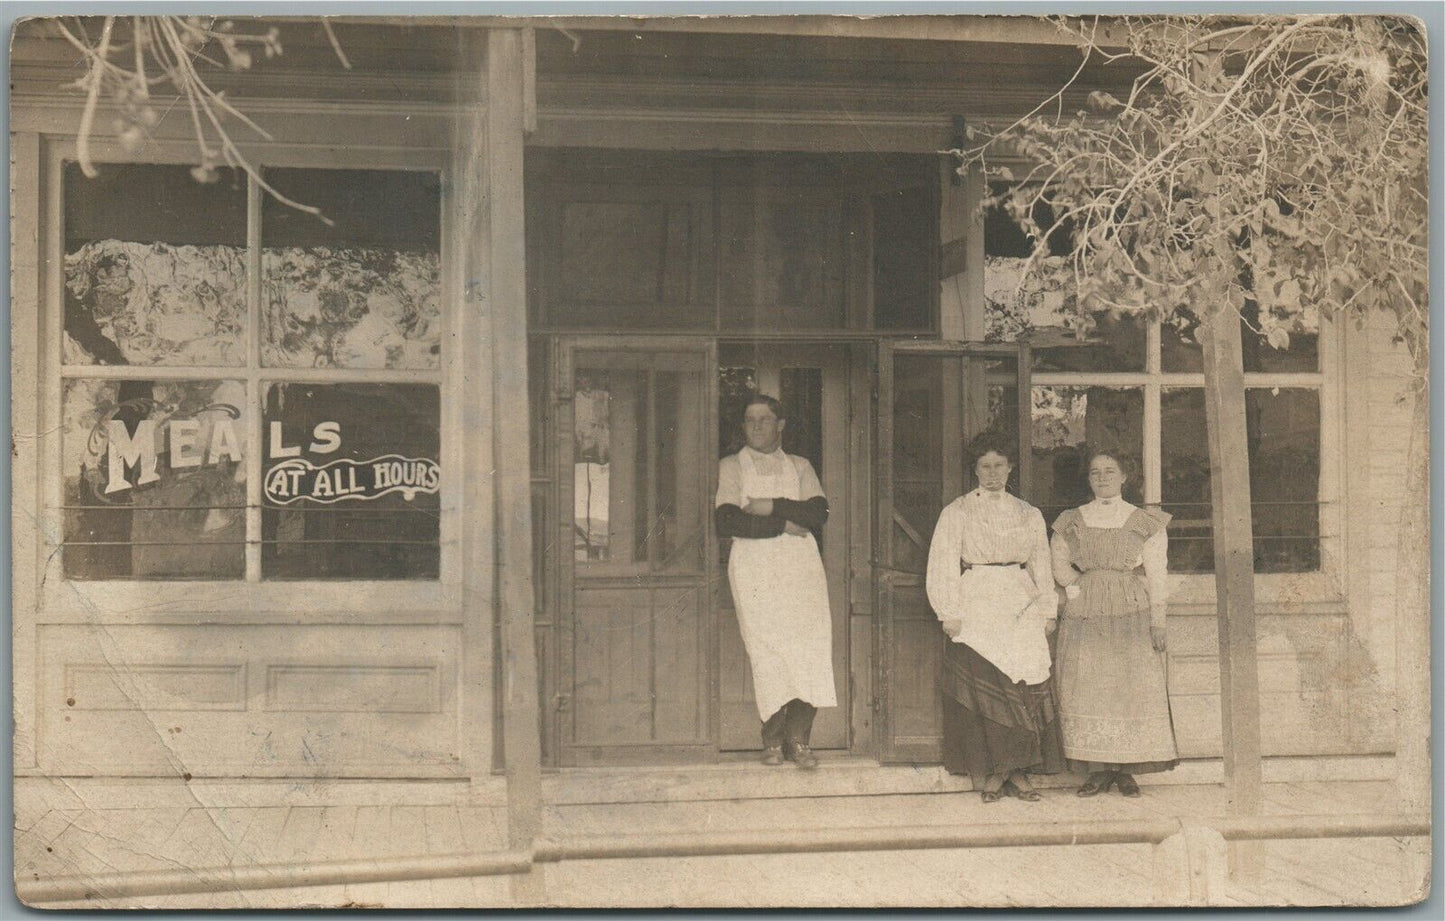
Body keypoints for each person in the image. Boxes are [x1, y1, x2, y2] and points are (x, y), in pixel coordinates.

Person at [925, 432, 1064, 803]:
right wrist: (949, 611)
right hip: (978, 602)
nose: (992, 473)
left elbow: (1042, 564)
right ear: (975, 469)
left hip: (1019, 601)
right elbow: (942, 562)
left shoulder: (1028, 513)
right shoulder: (958, 511)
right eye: (985, 466)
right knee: (987, 685)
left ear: (1010, 467)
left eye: (999, 465)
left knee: (1020, 685)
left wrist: (1047, 609)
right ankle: (992, 772)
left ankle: (1016, 771)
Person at [715, 395, 836, 769]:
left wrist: (770, 505)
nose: (755, 426)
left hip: (800, 567)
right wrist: (784, 522)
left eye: (764, 420)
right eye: (749, 420)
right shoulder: (731, 466)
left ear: (780, 425)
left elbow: (818, 512)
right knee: (767, 650)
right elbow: (728, 521)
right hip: (755, 567)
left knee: (808, 648)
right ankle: (772, 741)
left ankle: (799, 741)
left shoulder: (799, 466)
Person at [1050, 450, 1179, 797]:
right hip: (1086, 609)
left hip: (1129, 609)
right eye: (1095, 473)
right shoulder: (1072, 520)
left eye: (1110, 472)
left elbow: (1157, 573)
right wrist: (1075, 588)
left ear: (1125, 477)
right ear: (1088, 479)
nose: (1102, 478)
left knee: (1127, 686)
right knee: (1089, 685)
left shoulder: (1143, 521)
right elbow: (1058, 562)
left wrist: (1158, 622)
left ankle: (1125, 770)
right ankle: (1097, 769)